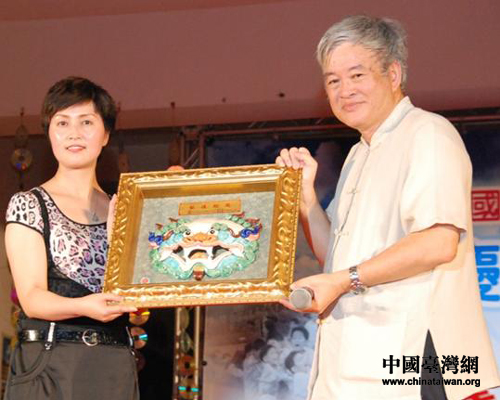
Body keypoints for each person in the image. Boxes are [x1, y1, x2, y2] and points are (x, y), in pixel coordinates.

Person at [277, 15, 500, 400]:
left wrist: (343, 281)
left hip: (417, 357)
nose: (345, 90)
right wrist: (306, 199)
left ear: (393, 74)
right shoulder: (357, 155)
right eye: (333, 81)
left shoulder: (428, 133)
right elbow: (336, 258)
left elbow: (437, 242)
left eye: (357, 75)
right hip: (355, 362)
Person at [4, 76, 139, 400]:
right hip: (51, 362)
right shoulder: (29, 204)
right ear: (49, 132)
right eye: (62, 122)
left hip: (114, 364)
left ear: (105, 134)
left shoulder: (125, 208)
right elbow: (32, 297)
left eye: (87, 122)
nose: (74, 133)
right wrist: (84, 306)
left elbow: (143, 288)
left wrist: (173, 198)